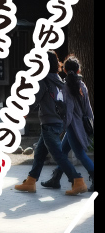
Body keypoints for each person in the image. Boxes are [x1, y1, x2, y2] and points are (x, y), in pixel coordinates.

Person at [15, 50, 87, 196]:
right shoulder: (59, 80)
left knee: (59, 155)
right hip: (58, 122)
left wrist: (24, 112)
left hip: (49, 122)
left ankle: (78, 180)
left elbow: (34, 99)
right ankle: (31, 181)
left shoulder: (43, 80)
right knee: (40, 153)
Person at [41, 55, 94, 193]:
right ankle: (56, 178)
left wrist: (63, 127)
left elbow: (69, 111)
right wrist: (89, 123)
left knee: (80, 154)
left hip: (73, 126)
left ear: (64, 70)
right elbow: (88, 109)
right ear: (78, 70)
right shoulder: (82, 85)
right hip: (80, 125)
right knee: (63, 151)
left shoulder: (67, 87)